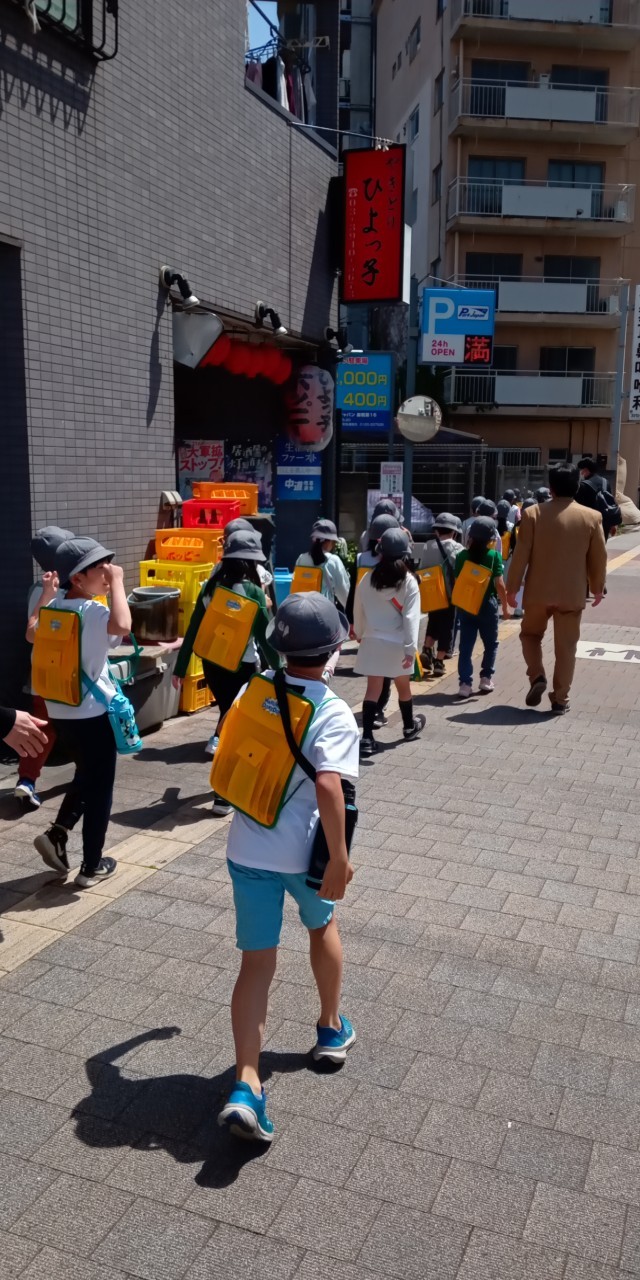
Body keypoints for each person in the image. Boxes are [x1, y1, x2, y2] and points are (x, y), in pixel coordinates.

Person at [217, 592, 359, 1143]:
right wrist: (340, 858)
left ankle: (246, 1084)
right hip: (303, 856)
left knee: (256, 964)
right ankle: (330, 1029)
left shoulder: (252, 690)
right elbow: (329, 784)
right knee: (322, 926)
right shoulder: (332, 711)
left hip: (246, 850)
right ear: (333, 651)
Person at [30, 537, 132, 887]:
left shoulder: (54, 608)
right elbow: (123, 626)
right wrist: (119, 583)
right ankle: (91, 866)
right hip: (92, 715)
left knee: (87, 775)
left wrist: (46, 594)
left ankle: (58, 834)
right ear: (77, 578)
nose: (107, 572)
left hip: (61, 710)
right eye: (100, 568)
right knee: (100, 789)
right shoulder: (92, 611)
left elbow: (30, 632)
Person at [173, 528, 280, 810]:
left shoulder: (210, 588)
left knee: (227, 715)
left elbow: (193, 628)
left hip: (212, 665)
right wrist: (280, 670)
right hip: (242, 667)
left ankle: (226, 785)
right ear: (250, 562)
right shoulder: (254, 592)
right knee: (235, 726)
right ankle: (223, 793)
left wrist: (180, 668)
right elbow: (264, 638)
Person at [507, 462, 607, 714]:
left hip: (538, 592)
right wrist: (597, 588)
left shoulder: (533, 514)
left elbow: (521, 555)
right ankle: (560, 698)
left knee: (530, 635)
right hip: (571, 593)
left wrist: (512, 588)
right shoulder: (592, 517)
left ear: (550, 488)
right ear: (577, 487)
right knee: (567, 647)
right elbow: (598, 558)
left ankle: (537, 676)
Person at [14, 525, 75, 808]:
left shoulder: (38, 590)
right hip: (68, 675)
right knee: (78, 726)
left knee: (42, 728)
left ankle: (26, 780)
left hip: (43, 674)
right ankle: (89, 772)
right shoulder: (58, 592)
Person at [353, 527, 425, 757]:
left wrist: (360, 633)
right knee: (403, 687)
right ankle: (408, 727)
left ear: (380, 551)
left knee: (372, 689)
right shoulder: (409, 581)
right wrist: (410, 648)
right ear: (405, 554)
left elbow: (358, 608)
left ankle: (367, 738)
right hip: (398, 643)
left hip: (372, 639)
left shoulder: (367, 578)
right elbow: (411, 617)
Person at [351, 511, 400, 725]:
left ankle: (373, 712)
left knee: (374, 673)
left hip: (368, 621)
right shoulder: (398, 560)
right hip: (391, 625)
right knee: (386, 672)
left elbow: (353, 593)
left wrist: (355, 625)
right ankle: (379, 710)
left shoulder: (361, 558)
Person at [455, 517, 509, 699]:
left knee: (466, 646)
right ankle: (486, 678)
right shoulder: (494, 556)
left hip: (466, 605)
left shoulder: (461, 556)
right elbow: (499, 584)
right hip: (488, 606)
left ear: (470, 536)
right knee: (491, 644)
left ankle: (465, 684)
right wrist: (505, 607)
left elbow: (458, 581)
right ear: (490, 539)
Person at [295, 519, 350, 683]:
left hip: (302, 613)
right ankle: (325, 673)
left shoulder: (301, 559)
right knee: (335, 647)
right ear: (329, 542)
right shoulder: (333, 561)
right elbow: (344, 592)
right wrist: (352, 616)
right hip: (324, 616)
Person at [418, 512, 459, 676]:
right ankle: (439, 661)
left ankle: (427, 649)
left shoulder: (428, 546)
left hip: (432, 593)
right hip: (449, 595)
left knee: (433, 621)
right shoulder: (456, 548)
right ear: (454, 532)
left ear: (436, 531)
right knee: (447, 628)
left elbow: (422, 567)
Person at [576, 456, 622, 540]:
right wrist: (613, 524)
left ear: (585, 470)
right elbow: (610, 502)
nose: (580, 473)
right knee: (601, 546)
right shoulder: (605, 482)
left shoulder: (583, 485)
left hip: (589, 524)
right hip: (604, 523)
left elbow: (578, 507)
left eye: (580, 470)